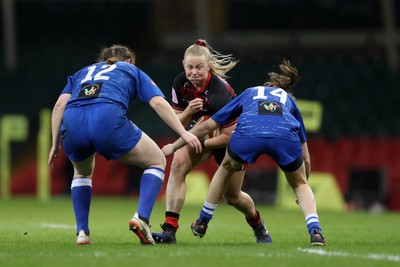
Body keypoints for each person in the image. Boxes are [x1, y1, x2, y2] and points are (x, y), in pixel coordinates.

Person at [47, 44, 201, 246]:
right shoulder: (130, 69)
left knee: (82, 174)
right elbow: (157, 102)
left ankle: (82, 232)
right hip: (106, 117)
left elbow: (59, 105)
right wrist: (183, 133)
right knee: (156, 160)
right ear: (129, 60)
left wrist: (54, 143)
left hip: (73, 122)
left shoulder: (81, 73)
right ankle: (142, 219)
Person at [162, 59, 326, 246]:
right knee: (299, 184)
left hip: (248, 134)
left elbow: (209, 125)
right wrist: (303, 181)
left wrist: (175, 146)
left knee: (225, 170)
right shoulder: (289, 101)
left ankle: (203, 220)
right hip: (283, 134)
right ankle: (315, 232)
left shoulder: (248, 93)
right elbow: (306, 156)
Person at [152, 39, 272, 244]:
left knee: (232, 197)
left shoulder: (220, 93)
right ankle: (169, 230)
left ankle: (259, 226)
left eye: (199, 67)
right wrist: (189, 111)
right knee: (178, 164)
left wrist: (201, 142)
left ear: (208, 66)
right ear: (183, 64)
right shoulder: (180, 83)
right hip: (202, 134)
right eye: (190, 67)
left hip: (231, 140)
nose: (194, 72)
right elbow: (177, 122)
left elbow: (228, 136)